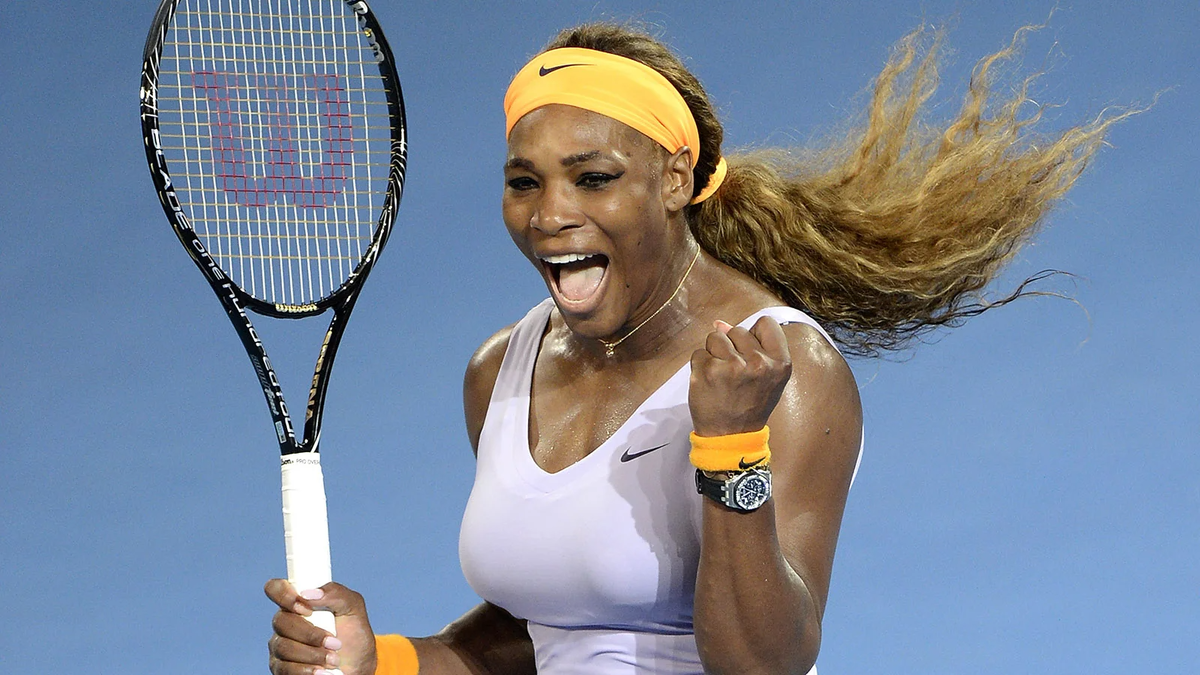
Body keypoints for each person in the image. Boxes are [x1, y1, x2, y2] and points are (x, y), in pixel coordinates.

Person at [264, 21, 1123, 675]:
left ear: (674, 179)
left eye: (593, 178)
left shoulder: (787, 369)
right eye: (525, 182)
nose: (550, 213)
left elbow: (763, 663)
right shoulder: (500, 372)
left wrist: (730, 447)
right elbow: (546, 624)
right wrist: (384, 659)